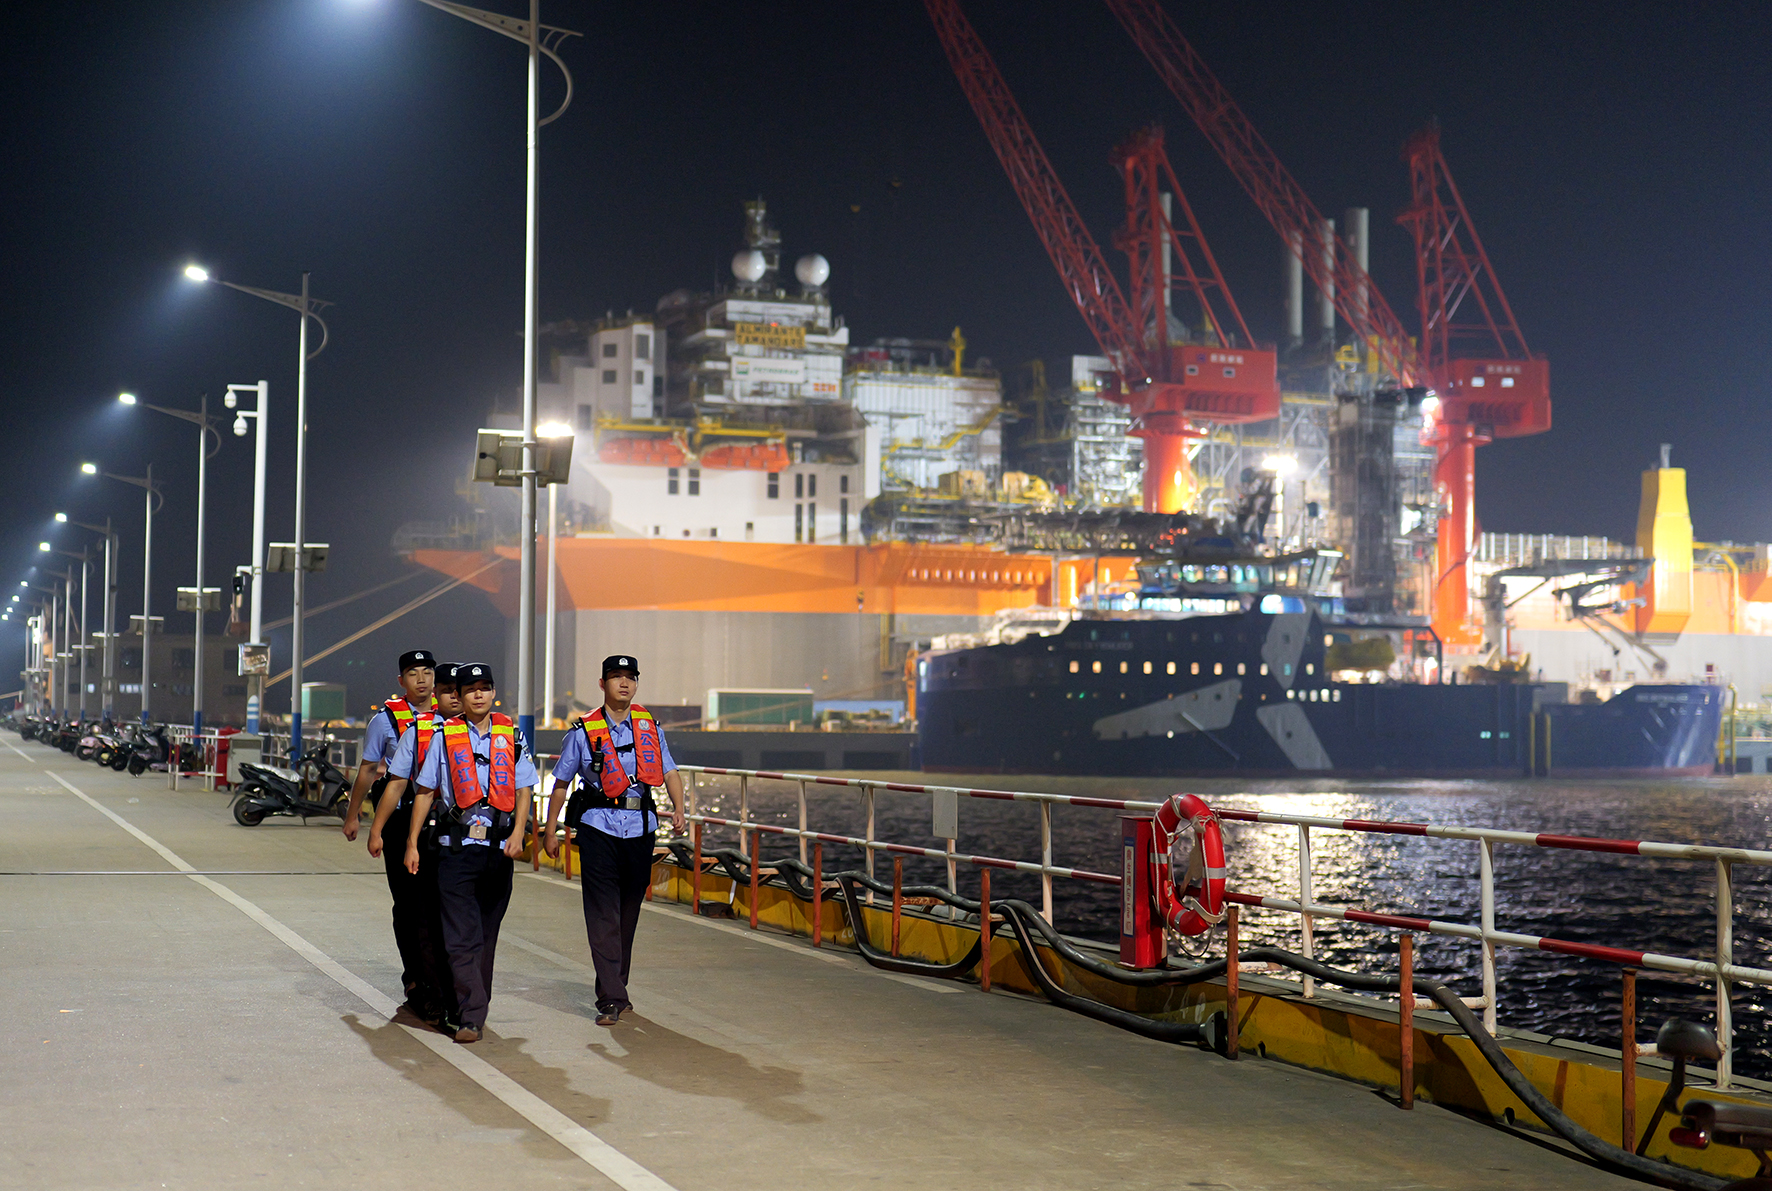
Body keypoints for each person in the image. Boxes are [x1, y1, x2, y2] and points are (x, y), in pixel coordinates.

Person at [542, 654, 686, 1026]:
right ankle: (611, 998)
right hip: (597, 829)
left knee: (628, 912)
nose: (624, 683)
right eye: (616, 677)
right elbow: (561, 782)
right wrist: (550, 829)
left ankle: (616, 986)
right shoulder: (582, 731)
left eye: (630, 677)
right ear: (602, 683)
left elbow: (669, 770)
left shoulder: (650, 728)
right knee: (602, 913)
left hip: (641, 828)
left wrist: (680, 809)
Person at [403, 663, 535, 1044]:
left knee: (485, 938)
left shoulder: (512, 737)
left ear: (493, 693)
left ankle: (472, 1005)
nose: (478, 694)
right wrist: (412, 843)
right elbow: (424, 792)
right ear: (458, 697)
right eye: (470, 689)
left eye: (485, 687)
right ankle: (471, 1015)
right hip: (455, 852)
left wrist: (519, 833)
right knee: (461, 937)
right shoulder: (443, 738)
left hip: (498, 852)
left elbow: (524, 789)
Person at [341, 650, 439, 1018]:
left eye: (427, 672)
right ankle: (415, 978)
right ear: (401, 681)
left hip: (438, 823)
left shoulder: (450, 718)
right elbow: (368, 770)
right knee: (409, 904)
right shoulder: (385, 721)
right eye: (413, 673)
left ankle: (438, 979)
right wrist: (355, 816)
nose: (422, 679)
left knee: (437, 904)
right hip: (399, 821)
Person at [368, 662, 461, 1031]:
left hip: (463, 836)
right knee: (415, 910)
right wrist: (375, 829)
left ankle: (457, 992)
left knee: (455, 916)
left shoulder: (486, 735)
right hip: (414, 827)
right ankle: (424, 987)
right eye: (449, 690)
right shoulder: (410, 728)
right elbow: (391, 781)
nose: (456, 696)